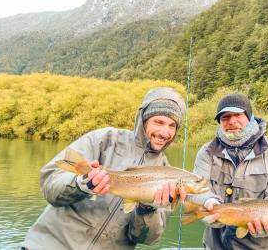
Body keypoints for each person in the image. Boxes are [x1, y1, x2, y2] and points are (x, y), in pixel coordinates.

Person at [22, 87, 186, 250]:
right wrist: (81, 184)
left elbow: (146, 239)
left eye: (172, 126)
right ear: (143, 119)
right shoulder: (104, 139)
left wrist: (148, 208)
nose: (165, 132)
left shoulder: (168, 176)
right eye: (159, 122)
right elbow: (50, 185)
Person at [193, 93, 268, 250]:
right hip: (214, 245)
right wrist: (208, 202)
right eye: (225, 117)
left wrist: (263, 229)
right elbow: (197, 190)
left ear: (250, 117)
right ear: (220, 122)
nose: (232, 121)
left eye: (237, 115)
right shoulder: (207, 152)